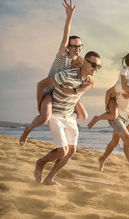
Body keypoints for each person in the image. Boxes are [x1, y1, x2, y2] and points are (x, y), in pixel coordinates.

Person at [19, 0, 87, 146]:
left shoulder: (80, 62)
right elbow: (65, 36)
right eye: (74, 46)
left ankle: (63, 121)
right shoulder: (63, 57)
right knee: (44, 118)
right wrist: (69, 17)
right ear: (68, 47)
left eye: (79, 45)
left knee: (83, 116)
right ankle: (27, 130)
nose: (77, 48)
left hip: (66, 94)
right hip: (50, 91)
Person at [33, 51, 101, 185]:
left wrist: (74, 91)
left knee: (71, 150)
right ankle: (41, 162)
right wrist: (40, 106)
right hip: (56, 113)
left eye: (99, 66)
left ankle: (49, 179)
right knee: (62, 151)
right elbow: (42, 84)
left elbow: (90, 86)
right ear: (84, 62)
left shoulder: (89, 79)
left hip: (69, 115)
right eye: (93, 64)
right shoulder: (67, 75)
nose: (96, 68)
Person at [87, 51, 129, 130]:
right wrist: (106, 106)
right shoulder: (125, 69)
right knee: (113, 115)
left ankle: (127, 129)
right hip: (114, 96)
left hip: (126, 97)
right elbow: (124, 87)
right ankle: (97, 118)